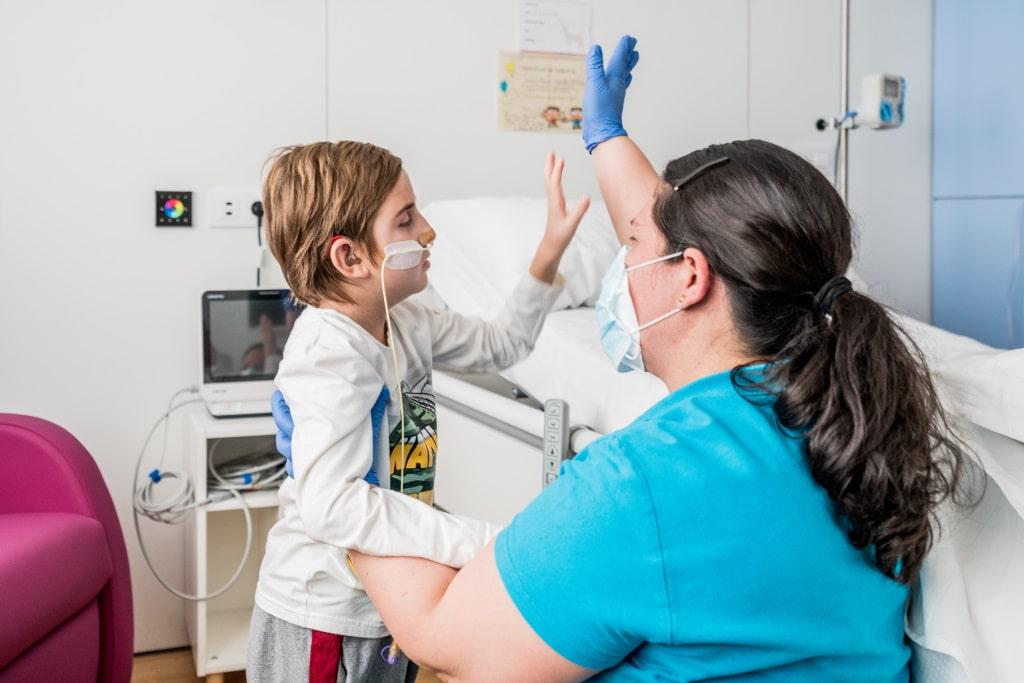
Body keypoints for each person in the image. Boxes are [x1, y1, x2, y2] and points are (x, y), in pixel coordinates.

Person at [275, 36, 970, 682]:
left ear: (691, 276)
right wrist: (606, 139)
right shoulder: (861, 422)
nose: (620, 267)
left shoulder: (641, 482)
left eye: (631, 242)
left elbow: (436, 633)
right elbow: (682, 224)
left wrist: (341, 498)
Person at [247, 141, 589, 682]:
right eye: (406, 219)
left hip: (385, 604)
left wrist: (547, 253)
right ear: (351, 257)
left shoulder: (406, 322)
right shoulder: (329, 353)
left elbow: (502, 345)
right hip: (324, 616)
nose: (429, 230)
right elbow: (330, 506)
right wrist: (485, 543)